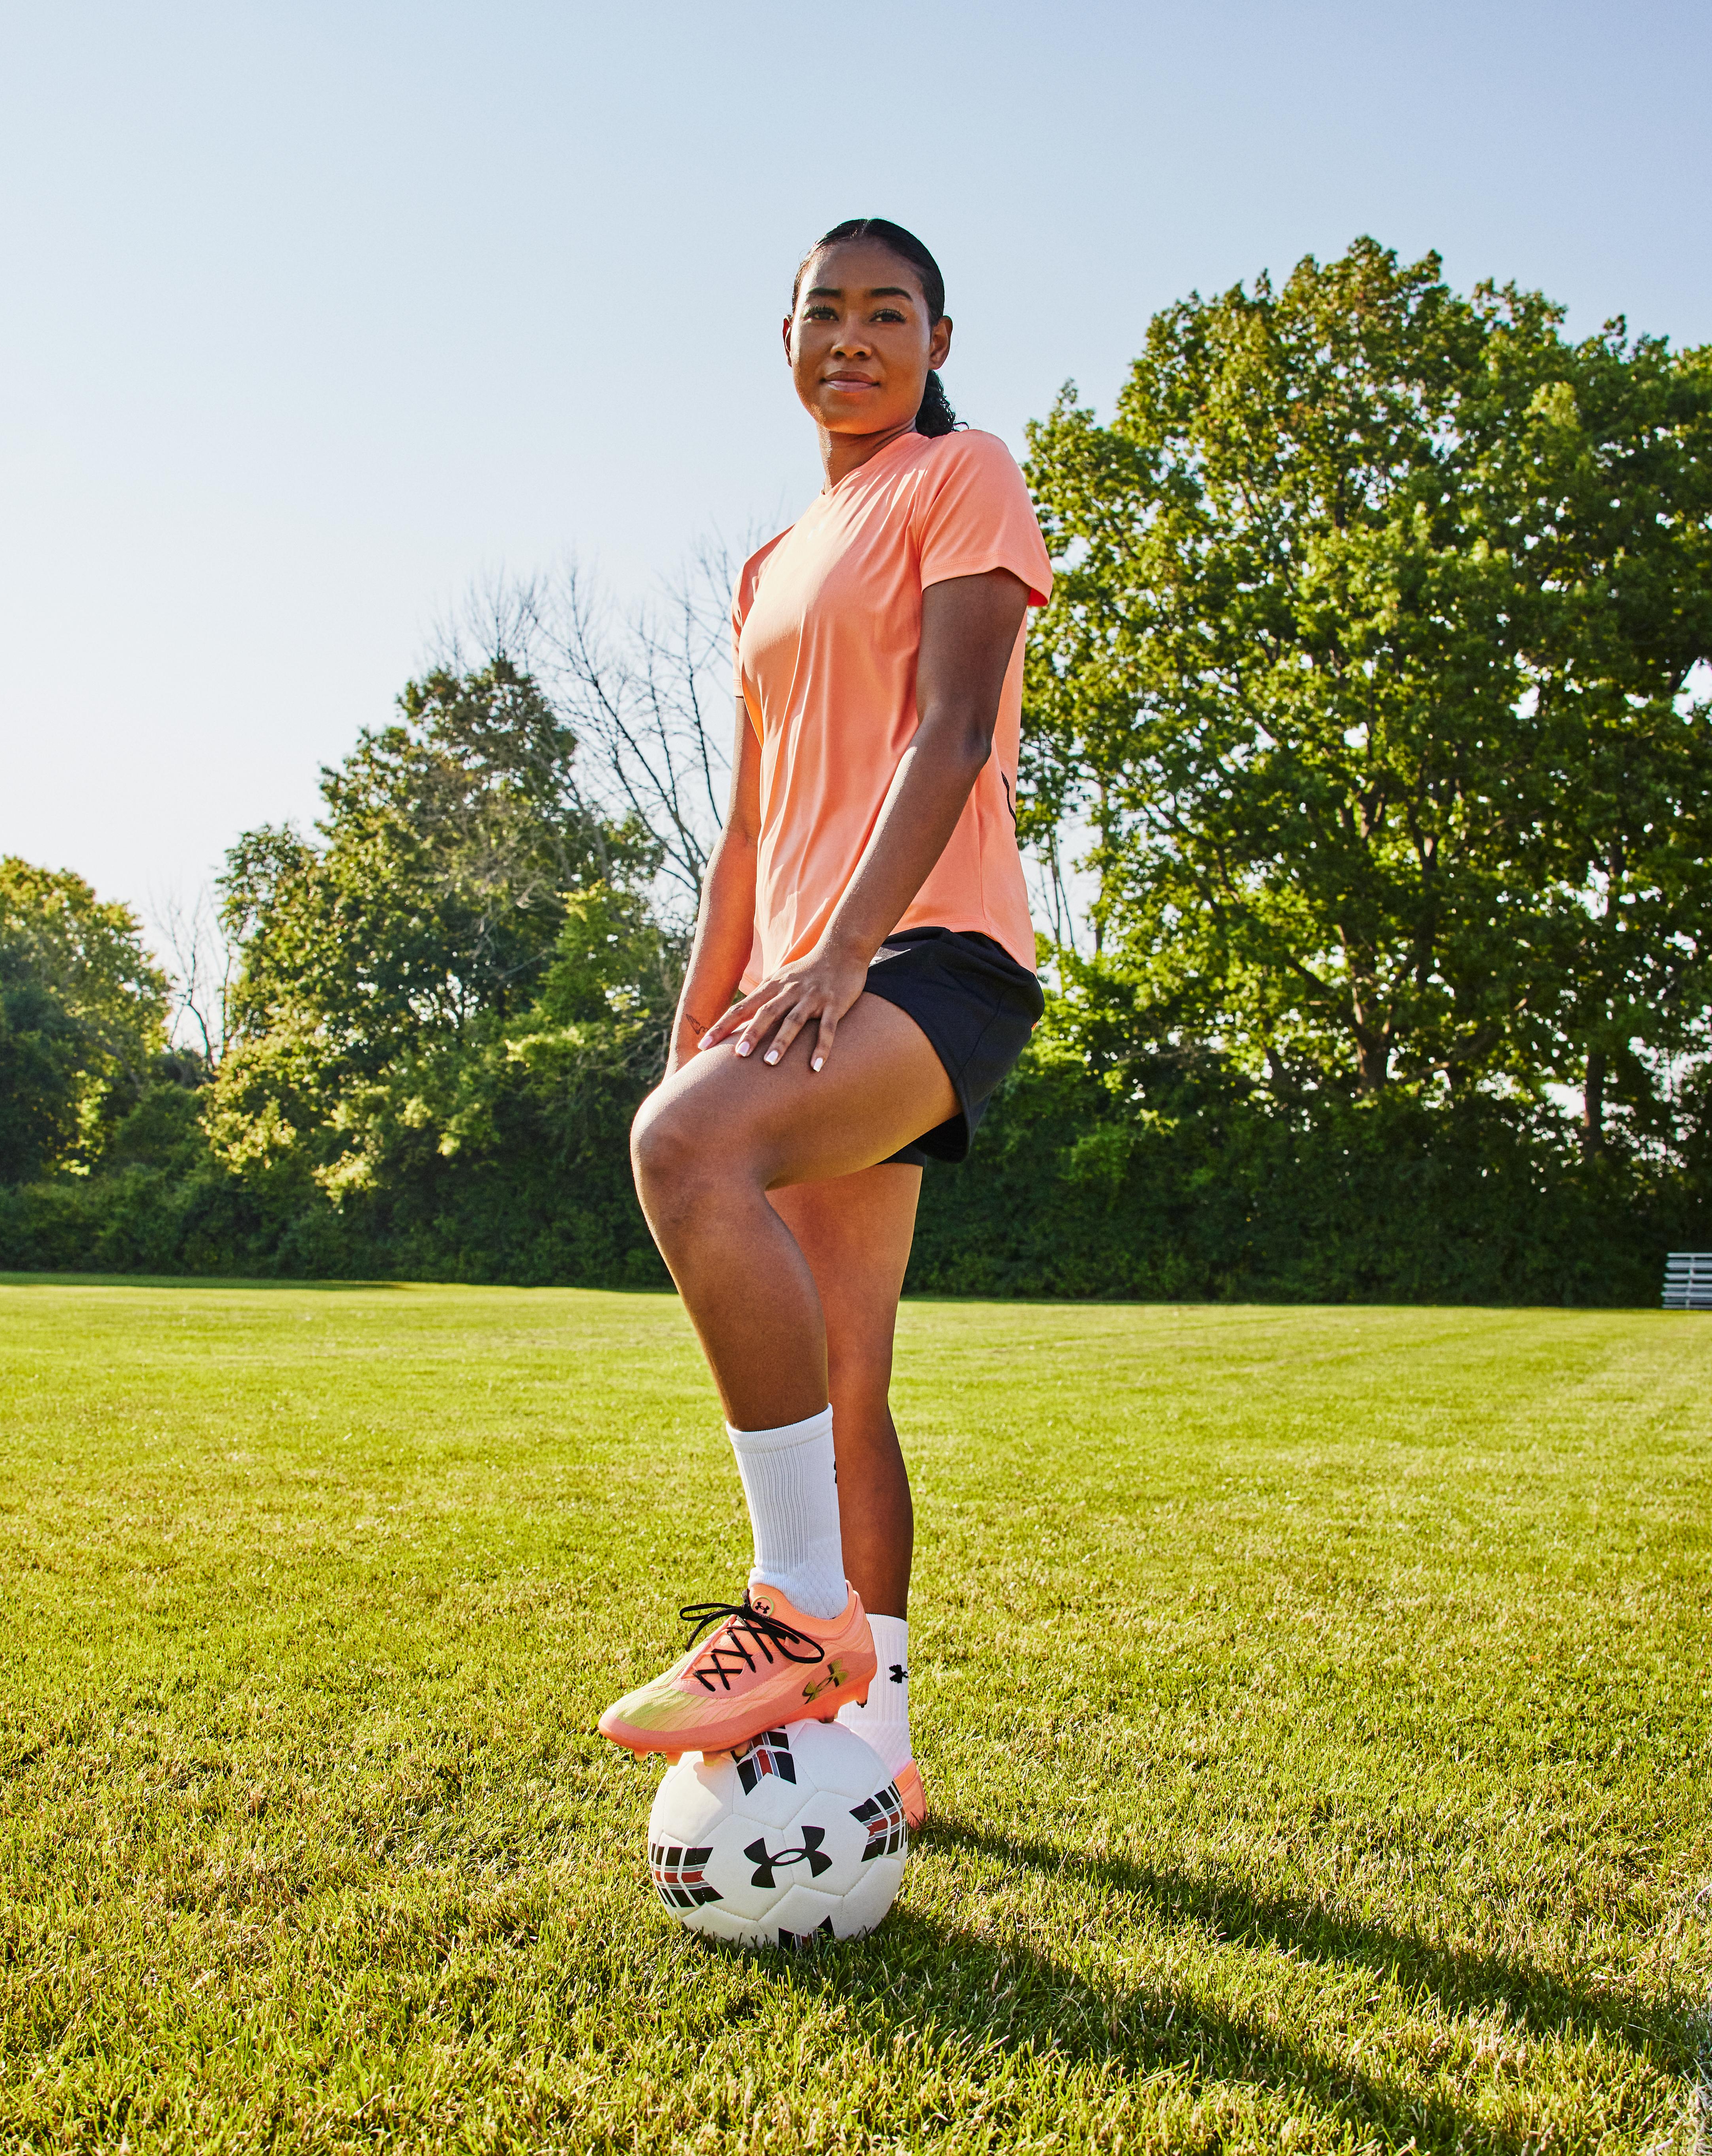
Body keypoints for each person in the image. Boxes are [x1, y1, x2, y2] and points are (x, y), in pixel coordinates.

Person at [595, 218, 1051, 1830]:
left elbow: (948, 729)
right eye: (823, 312)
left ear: (938, 337)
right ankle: (885, 1748)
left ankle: (794, 1609)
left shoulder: (963, 474)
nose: (851, 337)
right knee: (847, 1374)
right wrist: (694, 1016)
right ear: (781, 338)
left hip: (927, 961)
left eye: (887, 312)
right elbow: (742, 828)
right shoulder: (765, 565)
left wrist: (847, 949)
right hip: (804, 977)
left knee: (683, 1156)